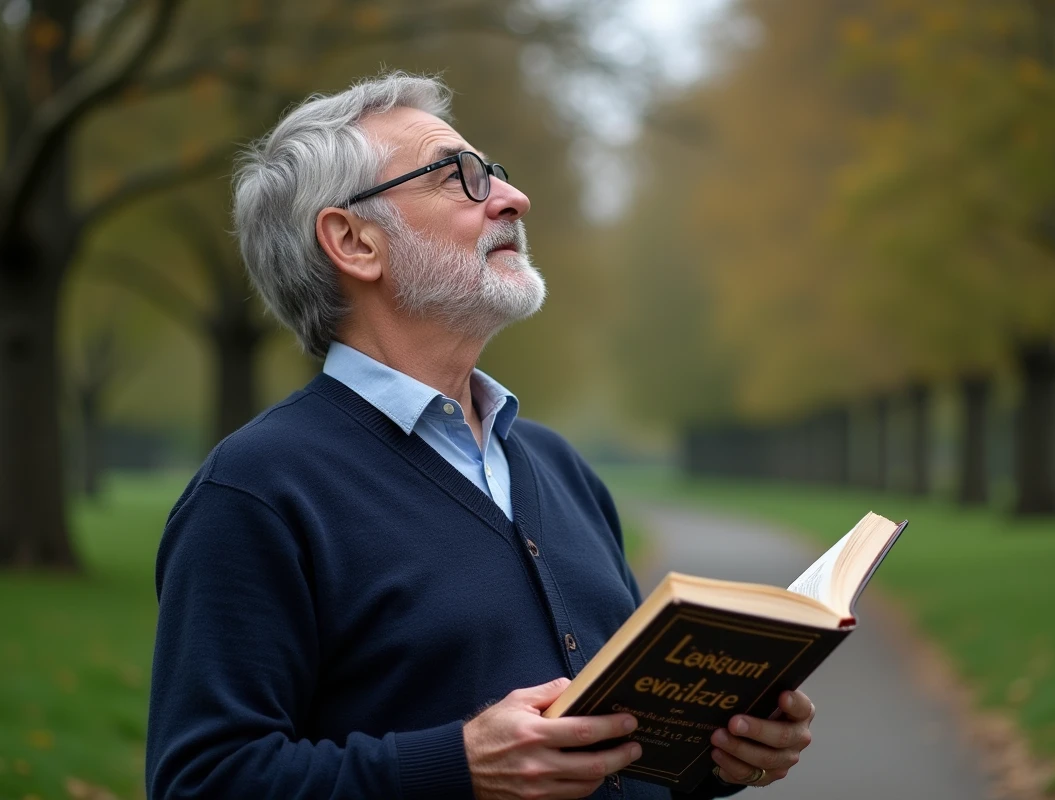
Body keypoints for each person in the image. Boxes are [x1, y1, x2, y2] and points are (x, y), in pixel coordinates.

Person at [145, 71, 815, 800]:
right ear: (353, 241)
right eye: (456, 176)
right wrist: (456, 766)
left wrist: (718, 751)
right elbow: (202, 782)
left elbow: (621, 747)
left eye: (494, 171)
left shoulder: (558, 466)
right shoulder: (257, 491)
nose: (511, 197)